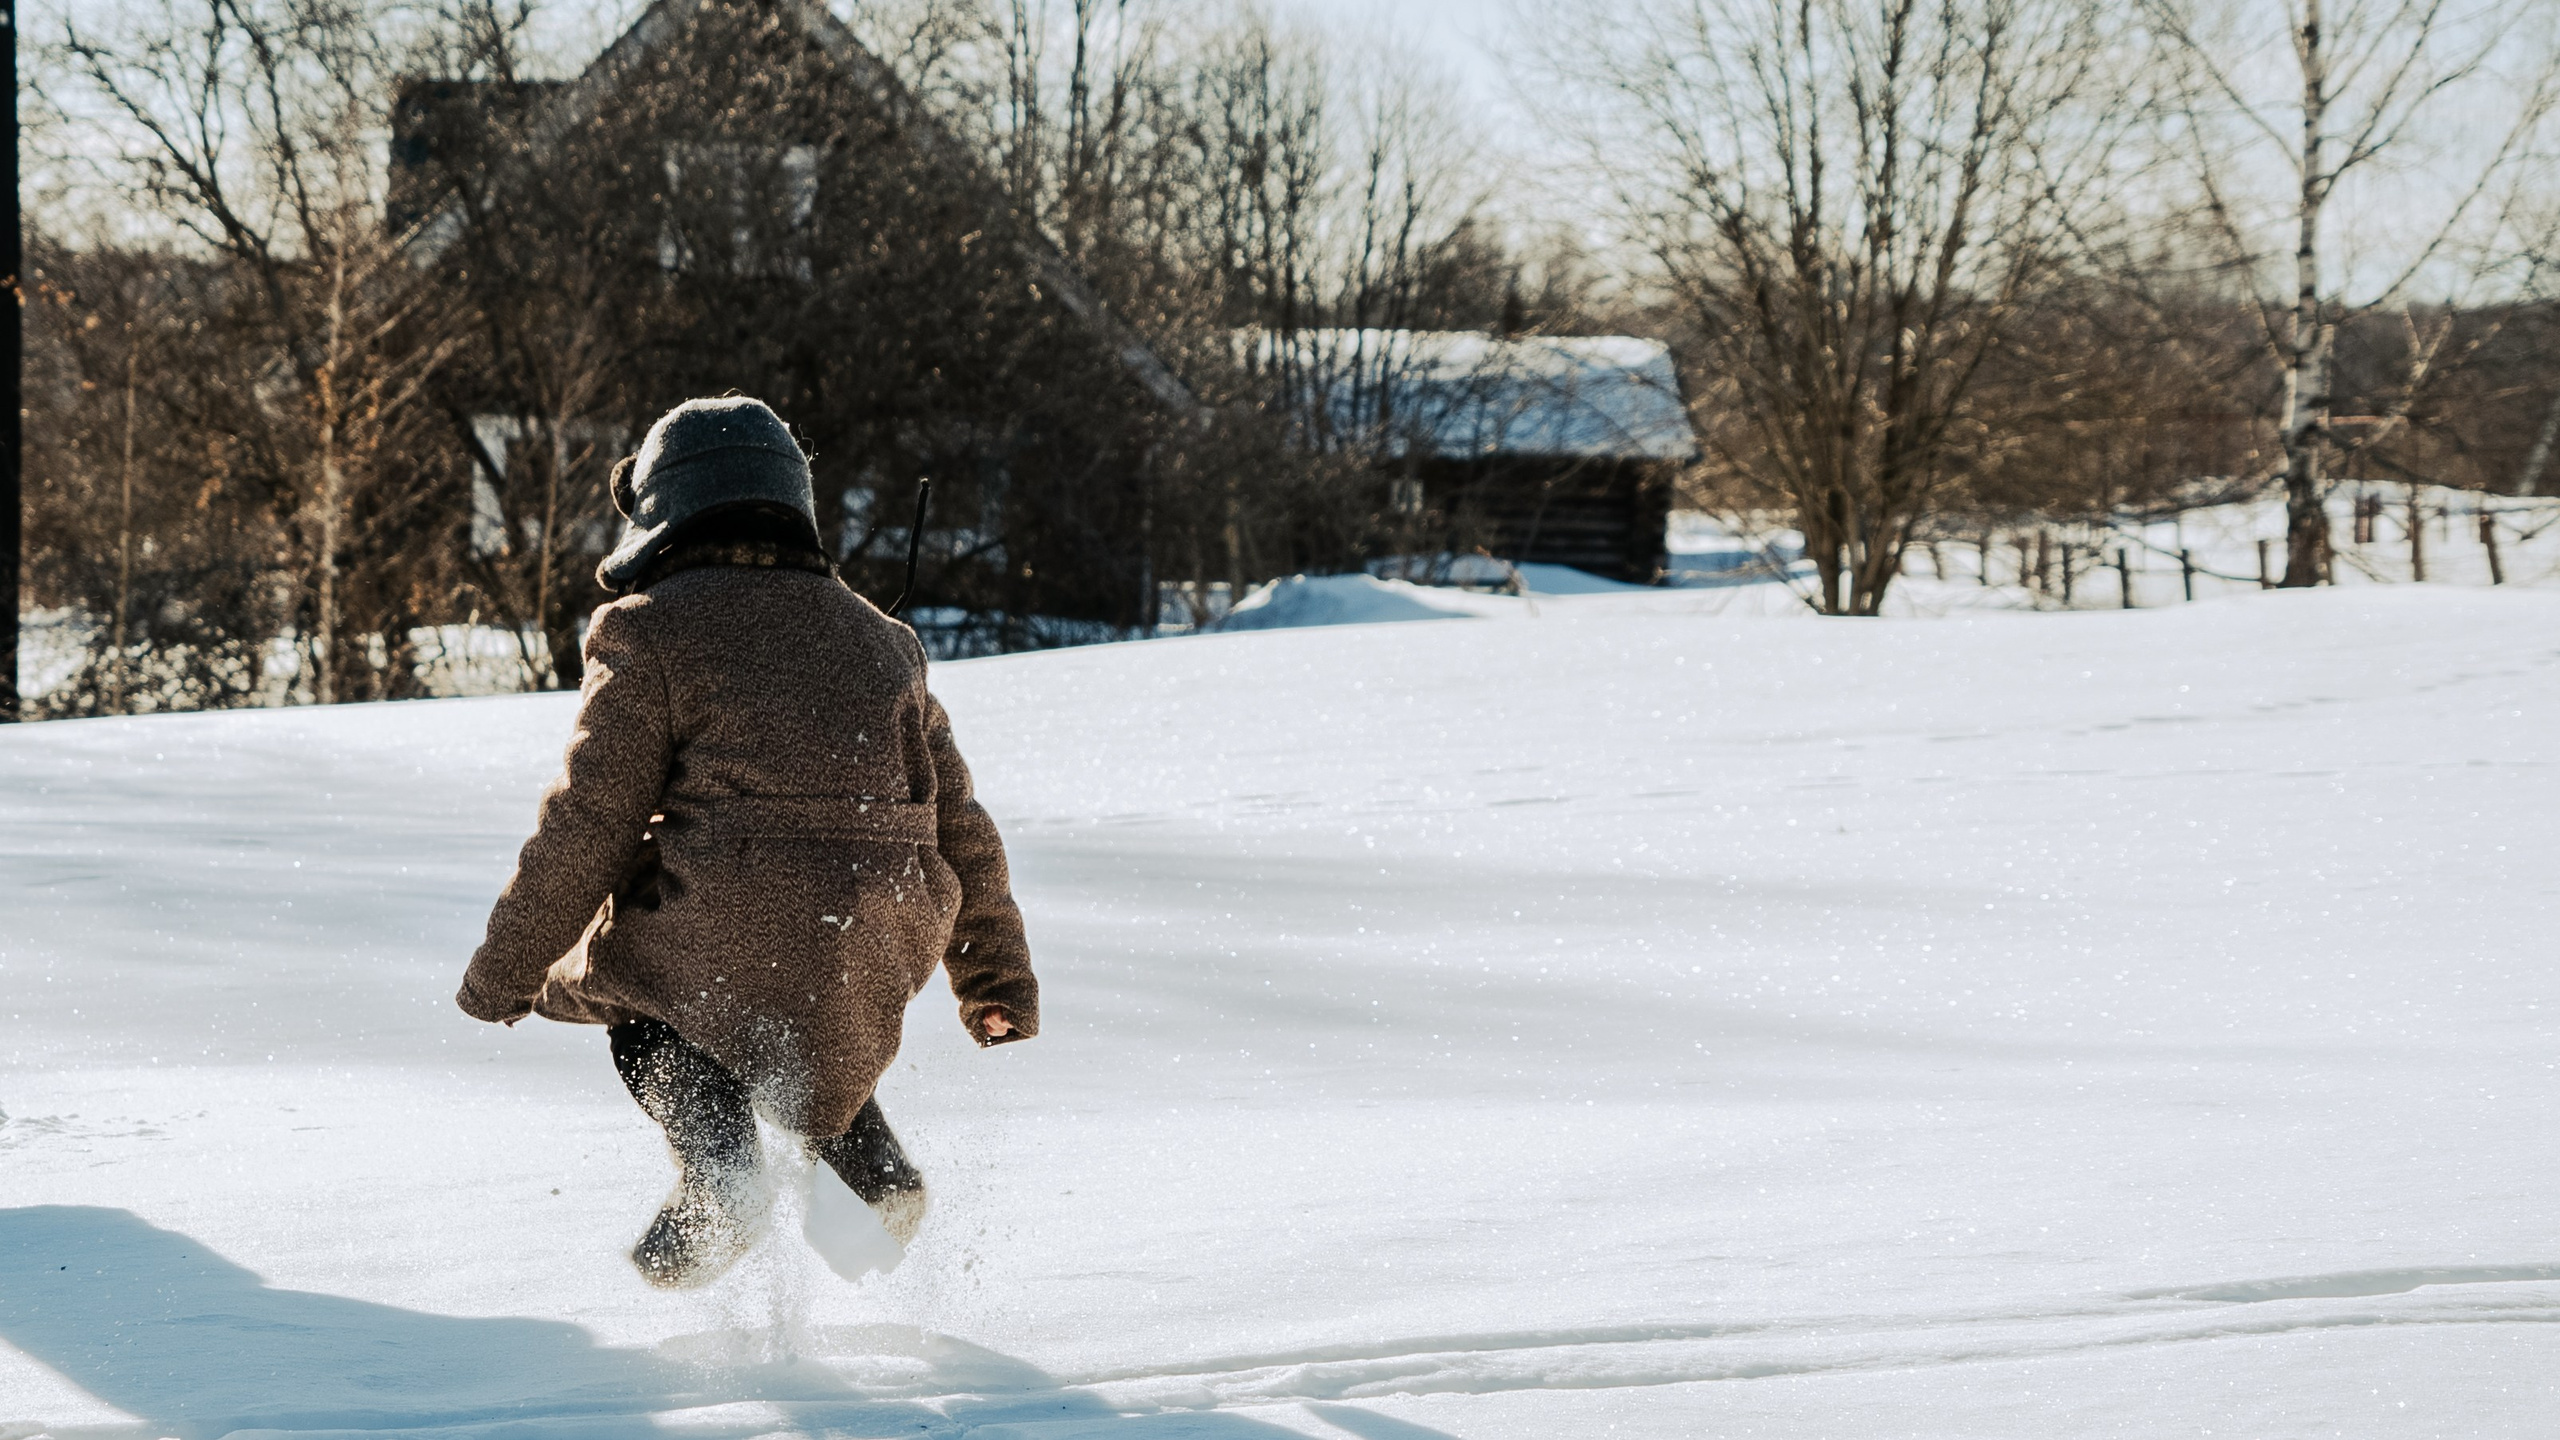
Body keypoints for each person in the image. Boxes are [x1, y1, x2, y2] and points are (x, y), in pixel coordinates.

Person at [454, 396, 1038, 1289]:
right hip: (882, 923)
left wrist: (508, 969)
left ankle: (721, 1178)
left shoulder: (647, 627)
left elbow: (590, 818)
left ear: (662, 513)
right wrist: (994, 977)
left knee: (651, 1003)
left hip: (721, 913)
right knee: (809, 1019)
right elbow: (961, 822)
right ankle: (876, 1185)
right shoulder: (886, 641)